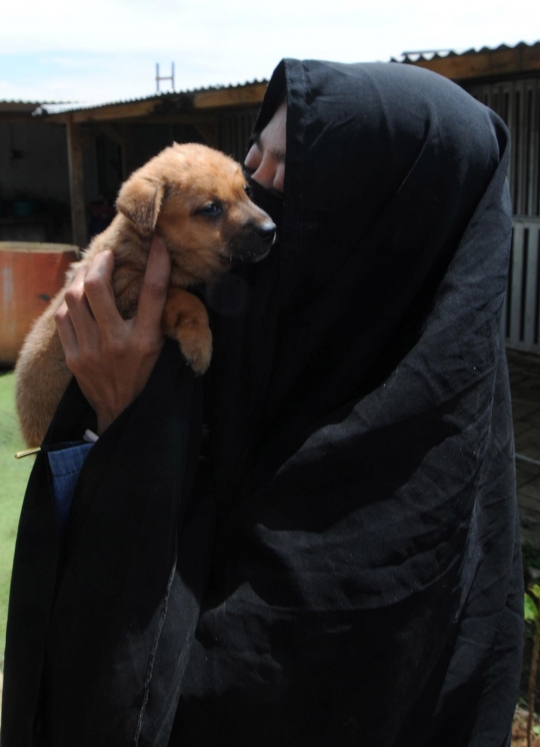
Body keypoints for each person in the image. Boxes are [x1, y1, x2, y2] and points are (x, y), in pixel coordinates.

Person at [2, 58, 523, 746]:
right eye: (255, 161)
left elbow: (204, 686)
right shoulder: (254, 351)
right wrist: (118, 418)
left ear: (385, 225)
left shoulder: (404, 496)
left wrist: (139, 436)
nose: (263, 207)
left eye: (291, 175)